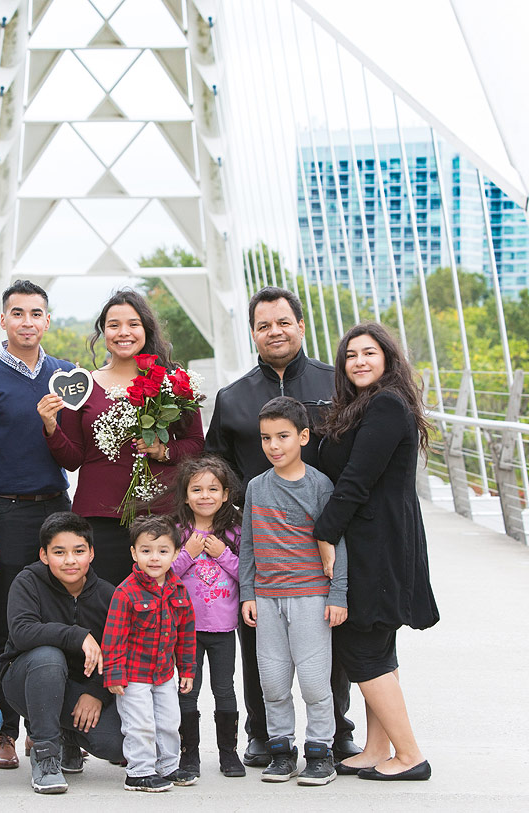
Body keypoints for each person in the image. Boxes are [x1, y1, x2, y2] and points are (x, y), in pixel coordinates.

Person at [204, 286, 358, 767]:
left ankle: (336, 730)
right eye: (264, 325)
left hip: (330, 535)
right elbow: (217, 467)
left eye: (283, 322)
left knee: (329, 641)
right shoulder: (233, 398)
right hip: (263, 541)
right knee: (260, 644)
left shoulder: (338, 385)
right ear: (252, 332)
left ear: (301, 326)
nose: (275, 332)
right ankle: (262, 733)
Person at [311, 323, 439, 781]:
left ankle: (410, 756)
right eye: (350, 355)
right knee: (378, 649)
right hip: (377, 539)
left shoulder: (386, 405)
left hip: (377, 544)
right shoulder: (366, 407)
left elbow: (357, 481)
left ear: (387, 358)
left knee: (362, 645)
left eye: (369, 353)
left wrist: (323, 534)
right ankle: (377, 748)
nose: (359, 361)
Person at [0, 279, 75, 769]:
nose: (28, 321)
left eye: (37, 313)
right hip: (2, 512)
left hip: (54, 510)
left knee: (58, 620)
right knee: (3, 624)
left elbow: (78, 451)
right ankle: (2, 729)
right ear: (2, 320)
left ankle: (46, 726)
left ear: (48, 320)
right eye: (18, 313)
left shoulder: (67, 375)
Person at [38, 289, 204, 587]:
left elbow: (196, 444)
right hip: (99, 519)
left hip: (160, 517)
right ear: (103, 332)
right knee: (104, 608)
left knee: (157, 611)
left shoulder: (174, 382)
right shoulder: (84, 384)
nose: (123, 332)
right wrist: (51, 427)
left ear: (146, 329)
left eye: (133, 324)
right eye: (113, 325)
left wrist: (163, 451)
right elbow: (73, 459)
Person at [239, 397, 347, 786]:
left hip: (311, 597)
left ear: (302, 436)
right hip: (267, 599)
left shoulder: (320, 485)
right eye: (266, 438)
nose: (274, 446)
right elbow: (248, 544)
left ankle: (321, 752)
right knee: (272, 680)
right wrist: (247, 592)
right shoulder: (256, 487)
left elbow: (338, 544)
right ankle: (282, 751)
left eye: (283, 436)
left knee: (316, 682)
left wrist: (338, 595)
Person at [0, 511, 125, 794]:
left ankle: (68, 736)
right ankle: (45, 756)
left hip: (78, 688)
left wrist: (96, 692)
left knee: (115, 744)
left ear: (91, 553)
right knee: (48, 656)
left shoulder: (108, 595)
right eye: (59, 552)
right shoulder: (27, 581)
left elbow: (118, 653)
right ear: (44, 555)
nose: (70, 560)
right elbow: (22, 631)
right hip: (26, 681)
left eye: (79, 551)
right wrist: (78, 636)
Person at [102, 515, 198, 792]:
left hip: (165, 673)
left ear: (176, 553)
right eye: (146, 551)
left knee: (169, 721)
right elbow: (114, 637)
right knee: (140, 724)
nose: (154, 558)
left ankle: (168, 766)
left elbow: (186, 635)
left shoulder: (178, 590)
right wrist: (114, 674)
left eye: (163, 551)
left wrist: (188, 669)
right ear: (134, 552)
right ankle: (139, 772)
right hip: (134, 676)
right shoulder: (125, 592)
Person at [170, 455, 245, 778]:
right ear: (186, 495)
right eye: (196, 489)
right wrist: (189, 553)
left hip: (223, 628)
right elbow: (164, 574)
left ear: (226, 494)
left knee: (224, 688)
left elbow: (249, 573)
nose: (205, 496)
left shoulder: (235, 530)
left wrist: (222, 554)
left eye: (213, 489)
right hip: (185, 629)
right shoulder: (175, 530)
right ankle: (190, 754)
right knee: (188, 689)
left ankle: (229, 753)